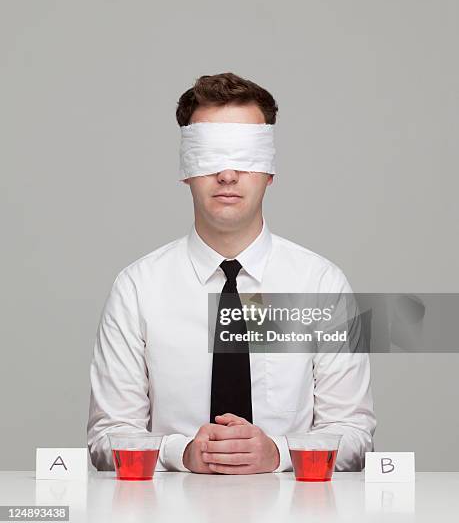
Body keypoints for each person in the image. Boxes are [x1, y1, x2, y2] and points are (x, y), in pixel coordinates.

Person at [86, 72, 376, 474]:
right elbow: (107, 437)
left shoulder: (321, 285)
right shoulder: (137, 288)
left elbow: (355, 433)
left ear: (270, 171)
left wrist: (279, 453)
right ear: (186, 168)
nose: (227, 174)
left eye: (244, 156)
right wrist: (182, 453)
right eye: (209, 155)